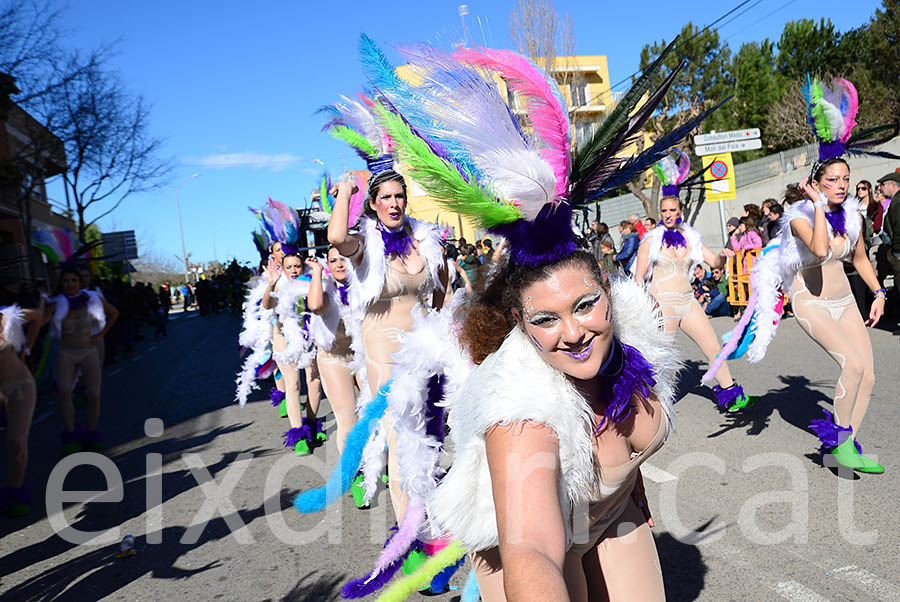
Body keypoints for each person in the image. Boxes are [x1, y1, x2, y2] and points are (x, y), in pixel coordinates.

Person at [356, 38, 712, 599]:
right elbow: (533, 552)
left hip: (613, 513)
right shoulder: (520, 407)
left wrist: (630, 488)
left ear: (609, 294)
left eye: (585, 306)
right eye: (546, 319)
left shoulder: (635, 339)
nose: (572, 333)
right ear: (521, 322)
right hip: (521, 549)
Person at [713, 77, 897, 473]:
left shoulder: (852, 215)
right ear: (815, 183)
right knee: (851, 364)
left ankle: (845, 444)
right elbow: (817, 250)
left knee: (868, 376)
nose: (841, 185)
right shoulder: (798, 218)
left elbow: (861, 258)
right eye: (832, 180)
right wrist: (815, 206)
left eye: (845, 180)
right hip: (811, 302)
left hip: (845, 300)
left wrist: (878, 292)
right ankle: (841, 443)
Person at [328, 167, 448, 526]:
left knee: (426, 433)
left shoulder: (424, 238)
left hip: (421, 345)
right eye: (386, 198)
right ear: (374, 204)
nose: (394, 204)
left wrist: (441, 330)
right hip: (383, 347)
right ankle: (409, 532)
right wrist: (347, 190)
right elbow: (336, 236)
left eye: (399, 196)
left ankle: (424, 510)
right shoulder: (366, 243)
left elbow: (441, 290)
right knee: (401, 433)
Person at [634, 196, 754, 410]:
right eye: (664, 210)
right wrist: (644, 305)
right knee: (663, 357)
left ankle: (730, 393)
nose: (668, 214)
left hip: (688, 302)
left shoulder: (691, 237)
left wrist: (724, 256)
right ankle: (653, 405)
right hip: (663, 304)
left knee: (713, 347)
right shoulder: (651, 240)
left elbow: (714, 261)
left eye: (672, 210)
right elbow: (638, 276)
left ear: (680, 211)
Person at [51, 266, 119, 454]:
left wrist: (100, 335)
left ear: (79, 283)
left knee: (94, 395)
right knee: (64, 393)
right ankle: (71, 436)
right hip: (66, 353)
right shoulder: (57, 303)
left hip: (88, 352)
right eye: (66, 281)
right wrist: (41, 303)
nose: (70, 284)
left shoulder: (93, 299)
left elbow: (114, 313)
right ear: (61, 284)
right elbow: (40, 320)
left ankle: (90, 434)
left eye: (74, 280)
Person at [0, 303, 40, 516]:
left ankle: (15, 492)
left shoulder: (9, 318)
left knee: (16, 441)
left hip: (18, 387)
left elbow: (38, 316)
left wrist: (27, 348)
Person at [879, 172, 900, 299]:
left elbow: (899, 229)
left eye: (883, 184)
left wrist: (898, 252)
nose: (881, 188)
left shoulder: (897, 203)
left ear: (893, 184)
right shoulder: (895, 201)